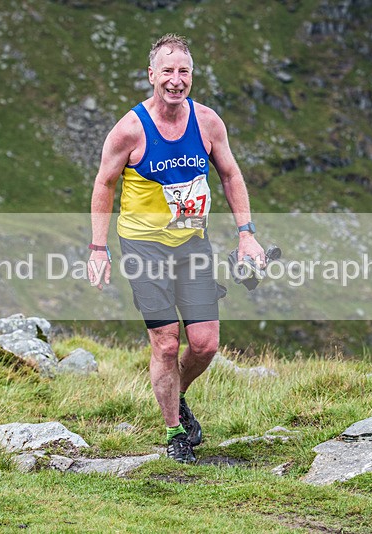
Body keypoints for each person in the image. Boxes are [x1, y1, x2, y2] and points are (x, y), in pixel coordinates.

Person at [88, 34, 264, 463]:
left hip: (191, 244)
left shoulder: (207, 123)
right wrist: (98, 247)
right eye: (167, 71)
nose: (175, 80)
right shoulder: (130, 129)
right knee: (166, 344)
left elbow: (230, 175)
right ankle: (173, 434)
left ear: (192, 76)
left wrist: (247, 233)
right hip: (144, 247)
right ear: (152, 75)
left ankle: (176, 395)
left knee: (204, 344)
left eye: (183, 71)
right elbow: (104, 184)